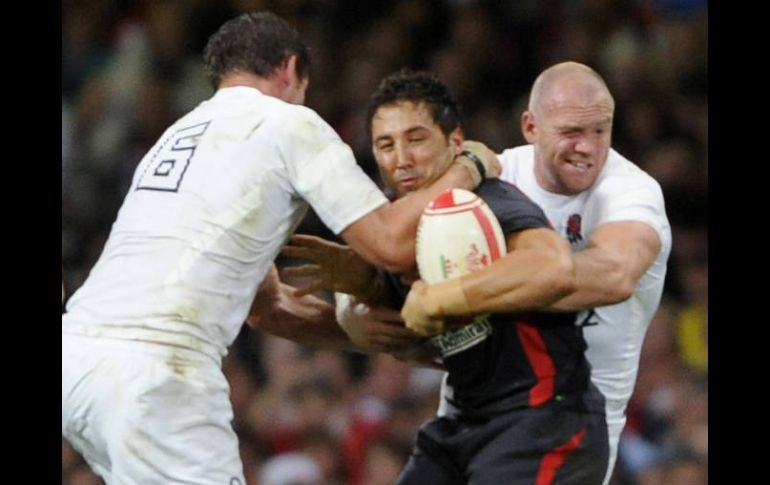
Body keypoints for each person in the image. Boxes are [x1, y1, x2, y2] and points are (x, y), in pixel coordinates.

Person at [61, 13, 492, 485]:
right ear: (290, 71)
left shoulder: (175, 136)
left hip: (77, 363)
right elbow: (389, 243)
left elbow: (268, 308)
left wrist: (371, 339)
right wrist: (468, 166)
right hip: (157, 373)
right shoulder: (289, 123)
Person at [280, 62, 671, 485]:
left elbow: (608, 274)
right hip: (465, 414)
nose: (589, 147)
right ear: (530, 127)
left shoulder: (630, 192)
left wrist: (449, 297)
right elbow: (397, 248)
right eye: (571, 132)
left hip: (554, 418)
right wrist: (359, 296)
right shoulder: (483, 174)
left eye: (601, 130)